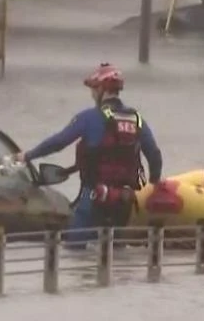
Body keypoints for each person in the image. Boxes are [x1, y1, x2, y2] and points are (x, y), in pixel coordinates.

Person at [13, 63, 163, 245]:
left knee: (74, 248)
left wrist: (28, 155)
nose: (92, 94)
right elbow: (154, 156)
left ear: (102, 89)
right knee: (115, 254)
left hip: (93, 198)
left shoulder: (90, 117)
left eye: (94, 88)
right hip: (124, 201)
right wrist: (153, 185)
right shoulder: (137, 119)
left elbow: (59, 142)